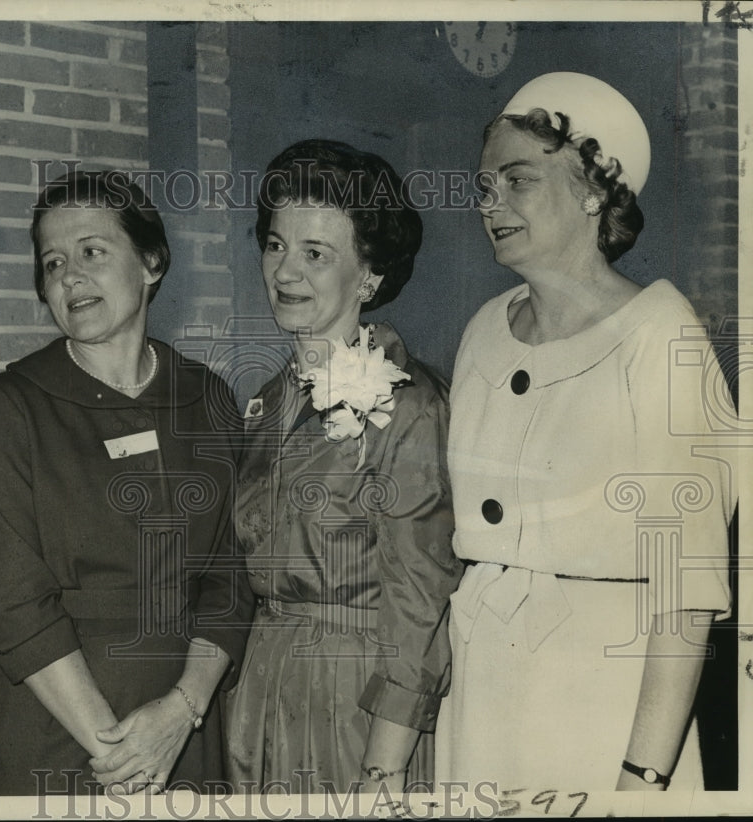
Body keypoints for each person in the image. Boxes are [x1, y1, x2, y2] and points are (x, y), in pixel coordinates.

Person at [437, 72, 736, 791]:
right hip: (480, 693)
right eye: (484, 186)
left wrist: (643, 773)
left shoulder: (662, 337)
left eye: (518, 181)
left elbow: (686, 589)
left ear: (594, 189)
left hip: (600, 701)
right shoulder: (484, 328)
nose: (491, 204)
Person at [0, 170, 252, 796]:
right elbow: (16, 606)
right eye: (52, 263)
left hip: (185, 730)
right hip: (61, 732)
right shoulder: (10, 406)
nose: (69, 276)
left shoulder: (208, 397)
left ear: (150, 261)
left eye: (92, 252)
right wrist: (121, 755)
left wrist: (181, 712)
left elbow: (231, 578)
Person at [225, 139, 463, 794]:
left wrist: (384, 770)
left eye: (315, 253)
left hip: (359, 702)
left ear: (368, 277)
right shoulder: (266, 402)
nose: (285, 271)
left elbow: (420, 605)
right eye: (275, 245)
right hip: (262, 690)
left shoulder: (410, 405)